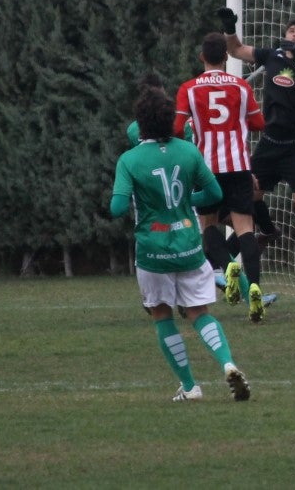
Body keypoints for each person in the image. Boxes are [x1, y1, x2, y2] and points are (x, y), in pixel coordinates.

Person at [109, 86, 251, 402]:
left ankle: (190, 387)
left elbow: (117, 208)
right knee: (199, 312)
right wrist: (187, 199)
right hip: (189, 246)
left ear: (140, 124)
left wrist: (133, 198)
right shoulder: (189, 152)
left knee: (162, 314)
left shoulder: (129, 160)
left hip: (152, 251)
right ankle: (228, 363)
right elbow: (214, 195)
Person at [218, 6, 295, 288]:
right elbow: (235, 51)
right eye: (291, 30)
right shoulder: (271, 55)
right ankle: (268, 232)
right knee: (249, 194)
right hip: (270, 144)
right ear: (284, 36)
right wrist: (228, 28)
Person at [174, 33, 272, 322]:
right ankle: (254, 287)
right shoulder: (241, 86)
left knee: (209, 227)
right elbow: (258, 124)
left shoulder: (188, 89)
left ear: (202, 57)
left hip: (206, 169)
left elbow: (178, 129)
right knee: (245, 229)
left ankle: (227, 267)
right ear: (226, 57)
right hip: (239, 166)